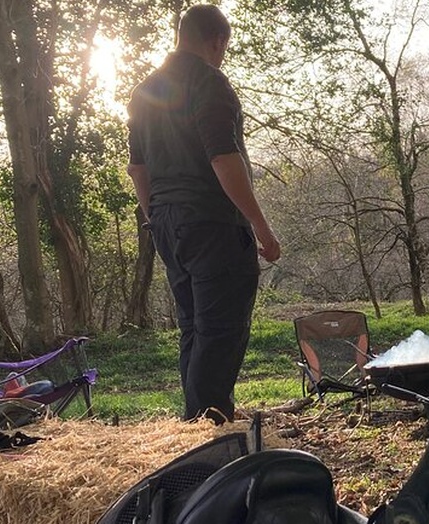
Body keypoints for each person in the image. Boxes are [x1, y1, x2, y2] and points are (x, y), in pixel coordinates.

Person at [126, 4, 280, 424]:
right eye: (223, 48)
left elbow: (137, 168)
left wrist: (156, 217)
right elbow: (223, 159)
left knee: (194, 328)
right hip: (213, 225)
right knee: (219, 333)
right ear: (217, 42)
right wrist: (261, 227)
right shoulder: (209, 83)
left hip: (168, 223)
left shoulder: (144, 90)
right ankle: (209, 435)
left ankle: (195, 427)